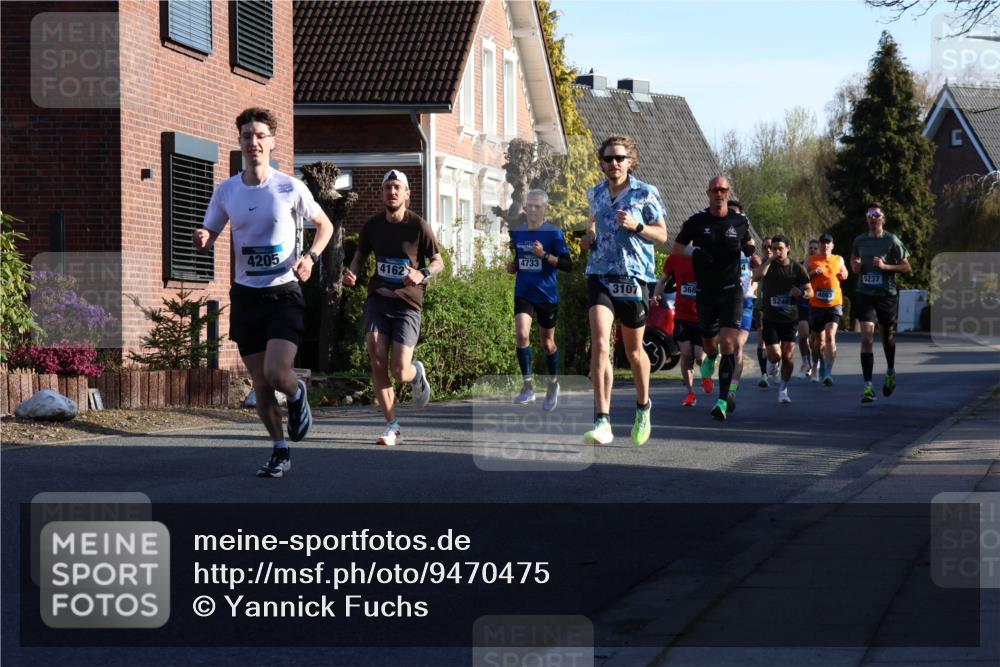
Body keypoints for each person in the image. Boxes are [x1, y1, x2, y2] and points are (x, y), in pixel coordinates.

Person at [194, 107, 333, 478]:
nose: (253, 142)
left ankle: (299, 393)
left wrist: (310, 256)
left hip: (283, 292)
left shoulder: (289, 187)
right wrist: (205, 237)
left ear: (272, 142)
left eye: (259, 136)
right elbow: (211, 229)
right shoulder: (227, 190)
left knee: (276, 372)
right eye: (246, 136)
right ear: (239, 141)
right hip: (246, 295)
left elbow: (325, 225)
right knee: (260, 384)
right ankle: (279, 449)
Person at [343, 169, 444, 445]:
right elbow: (359, 257)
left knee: (400, 370)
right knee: (376, 356)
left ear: (407, 194)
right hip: (378, 299)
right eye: (388, 187)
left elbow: (439, 261)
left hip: (407, 304)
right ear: (381, 194)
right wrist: (352, 273)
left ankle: (416, 375)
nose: (392, 192)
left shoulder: (418, 226)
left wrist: (422, 273)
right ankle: (392, 425)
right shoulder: (373, 226)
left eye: (397, 187)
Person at [580, 135, 668, 445]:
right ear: (601, 163)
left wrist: (637, 226)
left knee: (633, 350)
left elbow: (662, 234)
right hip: (600, 274)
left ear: (630, 161)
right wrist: (588, 237)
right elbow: (593, 223)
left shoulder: (646, 193)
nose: (613, 163)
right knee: (601, 344)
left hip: (633, 277)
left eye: (619, 158)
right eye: (607, 159)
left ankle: (643, 407)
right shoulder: (596, 194)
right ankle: (602, 420)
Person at [674, 176, 754, 421]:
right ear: (708, 192)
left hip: (732, 291)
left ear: (728, 193)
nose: (719, 193)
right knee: (710, 345)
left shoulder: (739, 221)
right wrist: (694, 250)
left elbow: (749, 244)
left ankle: (722, 400)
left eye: (723, 190)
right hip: (706, 293)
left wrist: (749, 251)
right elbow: (677, 247)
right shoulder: (697, 221)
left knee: (729, 344)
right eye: (715, 190)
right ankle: (710, 357)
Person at [506, 189, 572, 411]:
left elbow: (567, 265)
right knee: (522, 334)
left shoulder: (554, 233)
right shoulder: (518, 232)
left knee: (547, 343)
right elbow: (519, 258)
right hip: (524, 291)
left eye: (537, 206)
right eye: (529, 206)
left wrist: (544, 255)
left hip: (547, 294)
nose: (532, 210)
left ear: (545, 209)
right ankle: (528, 386)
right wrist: (514, 266)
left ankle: (553, 383)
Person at [850, 202, 911, 403]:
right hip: (865, 292)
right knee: (867, 337)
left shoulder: (891, 240)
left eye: (876, 214)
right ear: (866, 218)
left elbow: (906, 267)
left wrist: (885, 266)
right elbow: (854, 260)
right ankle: (868, 386)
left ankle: (890, 370)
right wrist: (855, 267)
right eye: (869, 215)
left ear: (882, 218)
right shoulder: (860, 240)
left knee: (887, 336)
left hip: (886, 294)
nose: (872, 218)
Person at [753, 234, 813, 404]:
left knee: (787, 356)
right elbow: (756, 277)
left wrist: (801, 293)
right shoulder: (769, 266)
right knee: (774, 355)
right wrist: (768, 261)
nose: (777, 251)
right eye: (774, 248)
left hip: (789, 319)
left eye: (780, 248)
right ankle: (773, 364)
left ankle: (783, 390)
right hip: (771, 318)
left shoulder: (797, 268)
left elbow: (810, 292)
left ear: (788, 249)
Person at [653, 247, 711, 407]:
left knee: (700, 357)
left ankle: (706, 375)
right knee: (685, 355)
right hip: (682, 316)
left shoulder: (705, 257)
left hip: (701, 317)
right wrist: (657, 294)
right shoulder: (674, 258)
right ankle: (690, 393)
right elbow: (662, 280)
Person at [726, 200, 761, 412]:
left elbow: (758, 268)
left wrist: (755, 280)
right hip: (725, 298)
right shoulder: (719, 245)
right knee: (725, 346)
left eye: (736, 214)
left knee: (737, 345)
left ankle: (731, 389)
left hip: (746, 299)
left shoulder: (749, 250)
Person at [807, 232, 848, 386]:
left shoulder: (838, 259)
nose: (825, 246)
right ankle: (818, 366)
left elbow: (845, 272)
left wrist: (845, 273)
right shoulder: (811, 260)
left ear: (832, 245)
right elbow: (802, 276)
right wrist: (812, 273)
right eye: (823, 243)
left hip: (834, 304)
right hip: (816, 305)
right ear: (819, 245)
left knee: (830, 336)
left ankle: (829, 372)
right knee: (818, 341)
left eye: (828, 243)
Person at [797, 239, 820, 379]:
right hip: (803, 305)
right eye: (810, 247)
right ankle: (805, 361)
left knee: (814, 341)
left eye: (815, 248)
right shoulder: (802, 265)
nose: (812, 250)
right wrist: (812, 273)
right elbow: (801, 279)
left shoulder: (822, 264)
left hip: (817, 306)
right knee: (803, 335)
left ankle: (815, 365)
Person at [755, 237, 774, 388]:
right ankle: (764, 374)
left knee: (775, 343)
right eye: (765, 247)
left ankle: (775, 365)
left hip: (776, 308)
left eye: (770, 246)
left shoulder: (781, 263)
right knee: (761, 341)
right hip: (761, 307)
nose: (768, 249)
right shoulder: (759, 263)